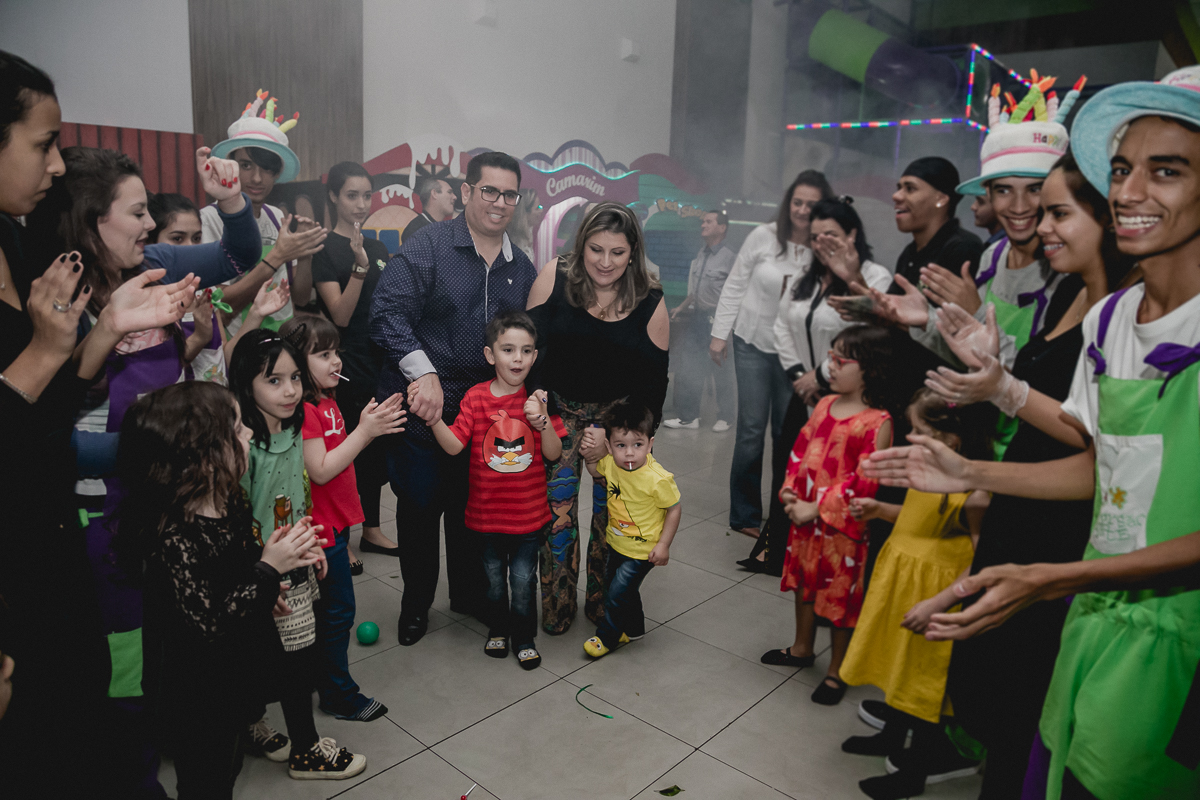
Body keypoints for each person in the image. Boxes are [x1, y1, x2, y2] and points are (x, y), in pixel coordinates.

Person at [866, 71, 1200, 799]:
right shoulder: (1115, 320)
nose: (1130, 191)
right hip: (1095, 611)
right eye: (1120, 170)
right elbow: (1100, 465)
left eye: (1166, 170)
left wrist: (1053, 577)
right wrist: (970, 473)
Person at [0, 50, 206, 797]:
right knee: (118, 702)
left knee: (136, 681)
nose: (52, 164)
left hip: (114, 527)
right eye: (41, 143)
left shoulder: (72, 270)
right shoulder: (60, 284)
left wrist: (139, 331)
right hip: (87, 531)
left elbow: (55, 410)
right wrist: (179, 449)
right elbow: (53, 429)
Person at [915, 152, 1136, 798]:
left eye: (1057, 210)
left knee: (1022, 710)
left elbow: (1095, 449)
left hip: (1060, 527)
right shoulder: (1073, 293)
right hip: (1021, 501)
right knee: (995, 696)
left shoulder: (1124, 309)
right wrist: (993, 370)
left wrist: (1002, 392)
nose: (1039, 223)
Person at [119, 381, 324, 799]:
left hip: (232, 676)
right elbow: (209, 623)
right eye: (235, 428)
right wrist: (268, 571)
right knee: (206, 780)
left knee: (227, 765)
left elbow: (240, 568)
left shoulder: (229, 500)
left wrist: (275, 572)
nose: (248, 431)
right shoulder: (172, 537)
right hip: (195, 695)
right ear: (203, 456)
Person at [370, 151, 538, 646]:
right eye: (489, 190)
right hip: (425, 409)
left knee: (473, 512)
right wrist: (422, 373)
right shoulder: (430, 246)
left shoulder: (519, 267)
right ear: (466, 192)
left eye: (510, 194)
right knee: (420, 509)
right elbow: (386, 313)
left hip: (485, 418)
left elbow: (525, 341)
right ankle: (415, 605)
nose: (500, 202)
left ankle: (470, 597)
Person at [838, 389, 992, 800]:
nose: (910, 438)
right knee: (897, 664)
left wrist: (941, 602)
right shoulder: (929, 467)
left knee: (924, 683)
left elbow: (984, 560)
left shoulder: (976, 490)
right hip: (903, 577)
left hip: (935, 589)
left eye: (920, 431)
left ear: (952, 440)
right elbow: (918, 515)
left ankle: (914, 772)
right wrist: (878, 509)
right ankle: (891, 736)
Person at [228, 328, 368, 779]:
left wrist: (311, 540)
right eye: (273, 381)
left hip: (296, 560)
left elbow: (297, 493)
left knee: (298, 657)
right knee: (257, 657)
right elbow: (233, 520)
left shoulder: (293, 426)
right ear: (246, 383)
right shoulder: (241, 446)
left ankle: (302, 746)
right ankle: (269, 732)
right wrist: (260, 576)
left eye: (293, 378)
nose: (289, 391)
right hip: (261, 570)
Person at [526, 202, 669, 634]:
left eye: (618, 252)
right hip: (558, 412)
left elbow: (653, 389)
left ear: (633, 253)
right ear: (581, 245)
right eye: (596, 249)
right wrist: (541, 416)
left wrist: (619, 439)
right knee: (558, 516)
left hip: (620, 423)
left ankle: (605, 605)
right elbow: (528, 352)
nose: (605, 263)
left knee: (617, 521)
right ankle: (557, 605)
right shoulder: (555, 275)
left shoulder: (651, 300)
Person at [740, 198, 892, 576]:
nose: (822, 243)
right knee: (791, 470)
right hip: (803, 392)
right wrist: (799, 377)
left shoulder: (875, 277)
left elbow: (864, 338)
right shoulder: (807, 277)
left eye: (832, 235)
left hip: (850, 398)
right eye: (817, 236)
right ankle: (784, 554)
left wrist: (820, 376)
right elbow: (782, 325)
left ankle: (834, 568)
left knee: (837, 478)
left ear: (852, 234)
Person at [761, 325, 901, 706]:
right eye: (831, 356)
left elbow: (865, 481)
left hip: (844, 530)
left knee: (839, 600)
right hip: (805, 523)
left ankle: (837, 670)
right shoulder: (823, 405)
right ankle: (801, 647)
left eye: (842, 360)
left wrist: (816, 507)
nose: (831, 366)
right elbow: (801, 449)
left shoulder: (878, 422)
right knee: (807, 585)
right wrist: (790, 490)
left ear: (869, 368)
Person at [429, 310, 567, 669]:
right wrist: (432, 419)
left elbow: (554, 454)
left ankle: (523, 636)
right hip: (486, 518)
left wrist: (541, 422)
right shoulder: (475, 399)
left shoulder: (538, 400)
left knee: (523, 582)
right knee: (493, 584)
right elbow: (455, 445)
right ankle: (498, 630)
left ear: (535, 356)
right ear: (491, 355)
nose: (517, 358)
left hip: (527, 518)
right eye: (508, 350)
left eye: (525, 350)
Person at [286, 314, 405, 722]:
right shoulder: (305, 410)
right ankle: (336, 693)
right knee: (336, 614)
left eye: (335, 351)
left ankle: (322, 678)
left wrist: (366, 424)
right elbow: (319, 469)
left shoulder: (326, 400)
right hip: (319, 533)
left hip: (334, 524)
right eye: (322, 354)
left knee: (331, 614)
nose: (335, 361)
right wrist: (366, 431)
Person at [711, 170, 833, 540]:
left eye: (811, 205)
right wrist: (720, 334)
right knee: (750, 429)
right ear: (788, 203)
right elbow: (734, 283)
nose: (802, 210)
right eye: (797, 202)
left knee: (788, 432)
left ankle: (783, 514)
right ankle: (744, 513)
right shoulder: (763, 237)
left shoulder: (824, 246)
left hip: (794, 353)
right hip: (751, 343)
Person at [312, 161, 398, 571]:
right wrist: (360, 267)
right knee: (343, 450)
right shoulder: (325, 248)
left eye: (367, 195)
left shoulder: (380, 247)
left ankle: (372, 529)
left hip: (381, 360)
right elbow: (340, 315)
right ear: (333, 196)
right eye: (352, 195)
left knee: (375, 448)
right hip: (343, 364)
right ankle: (339, 538)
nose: (361, 203)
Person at [201, 91, 326, 333]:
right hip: (237, 345)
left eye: (267, 169)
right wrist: (277, 256)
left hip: (281, 341)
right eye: (246, 166)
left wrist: (304, 252)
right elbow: (219, 303)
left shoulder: (277, 217)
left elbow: (299, 298)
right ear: (230, 165)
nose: (257, 178)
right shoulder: (209, 220)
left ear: (277, 173)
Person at [578, 401, 682, 658]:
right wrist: (590, 454)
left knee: (614, 594)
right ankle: (635, 629)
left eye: (638, 445)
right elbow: (595, 471)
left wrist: (664, 545)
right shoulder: (611, 464)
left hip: (643, 551)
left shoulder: (658, 479)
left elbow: (674, 509)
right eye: (620, 446)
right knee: (624, 589)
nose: (629, 454)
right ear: (609, 446)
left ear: (650, 443)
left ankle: (608, 637)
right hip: (617, 543)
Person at [664, 209, 736, 432]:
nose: (702, 225)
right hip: (697, 317)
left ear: (722, 227)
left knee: (720, 368)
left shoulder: (730, 258)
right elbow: (696, 291)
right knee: (689, 366)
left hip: (718, 320)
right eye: (702, 221)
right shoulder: (701, 255)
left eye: (708, 221)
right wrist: (682, 307)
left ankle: (726, 416)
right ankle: (689, 417)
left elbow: (735, 294)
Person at [148, 193, 226, 384]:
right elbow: (158, 370)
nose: (191, 248)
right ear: (151, 244)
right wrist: (199, 337)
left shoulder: (204, 290)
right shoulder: (148, 298)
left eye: (197, 238)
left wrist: (257, 312)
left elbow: (222, 353)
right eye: (177, 239)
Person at [888, 157, 984, 296]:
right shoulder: (910, 252)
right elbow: (890, 308)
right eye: (899, 188)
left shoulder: (962, 248)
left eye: (910, 189)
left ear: (941, 199)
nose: (896, 196)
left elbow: (950, 314)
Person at [401, 175, 457, 244]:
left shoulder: (447, 230)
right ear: (434, 193)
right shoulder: (415, 231)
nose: (455, 197)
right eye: (449, 192)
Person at [506, 188, 544, 255]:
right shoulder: (512, 241)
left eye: (540, 206)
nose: (541, 210)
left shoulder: (530, 231)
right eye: (537, 208)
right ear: (525, 213)